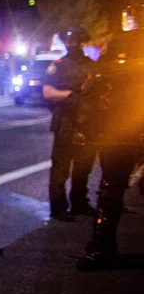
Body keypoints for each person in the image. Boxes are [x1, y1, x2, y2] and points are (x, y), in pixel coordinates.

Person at [73, 28, 144, 271]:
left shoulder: (108, 66)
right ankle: (102, 247)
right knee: (110, 190)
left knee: (110, 189)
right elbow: (90, 102)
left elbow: (88, 103)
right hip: (119, 134)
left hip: (118, 134)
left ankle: (102, 248)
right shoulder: (110, 67)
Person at [43, 25, 95, 221]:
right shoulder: (58, 65)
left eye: (75, 41)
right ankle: (58, 207)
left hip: (88, 121)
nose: (71, 44)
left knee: (84, 165)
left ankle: (79, 202)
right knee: (61, 166)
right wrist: (69, 95)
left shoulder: (91, 64)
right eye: (68, 41)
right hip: (66, 120)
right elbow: (47, 92)